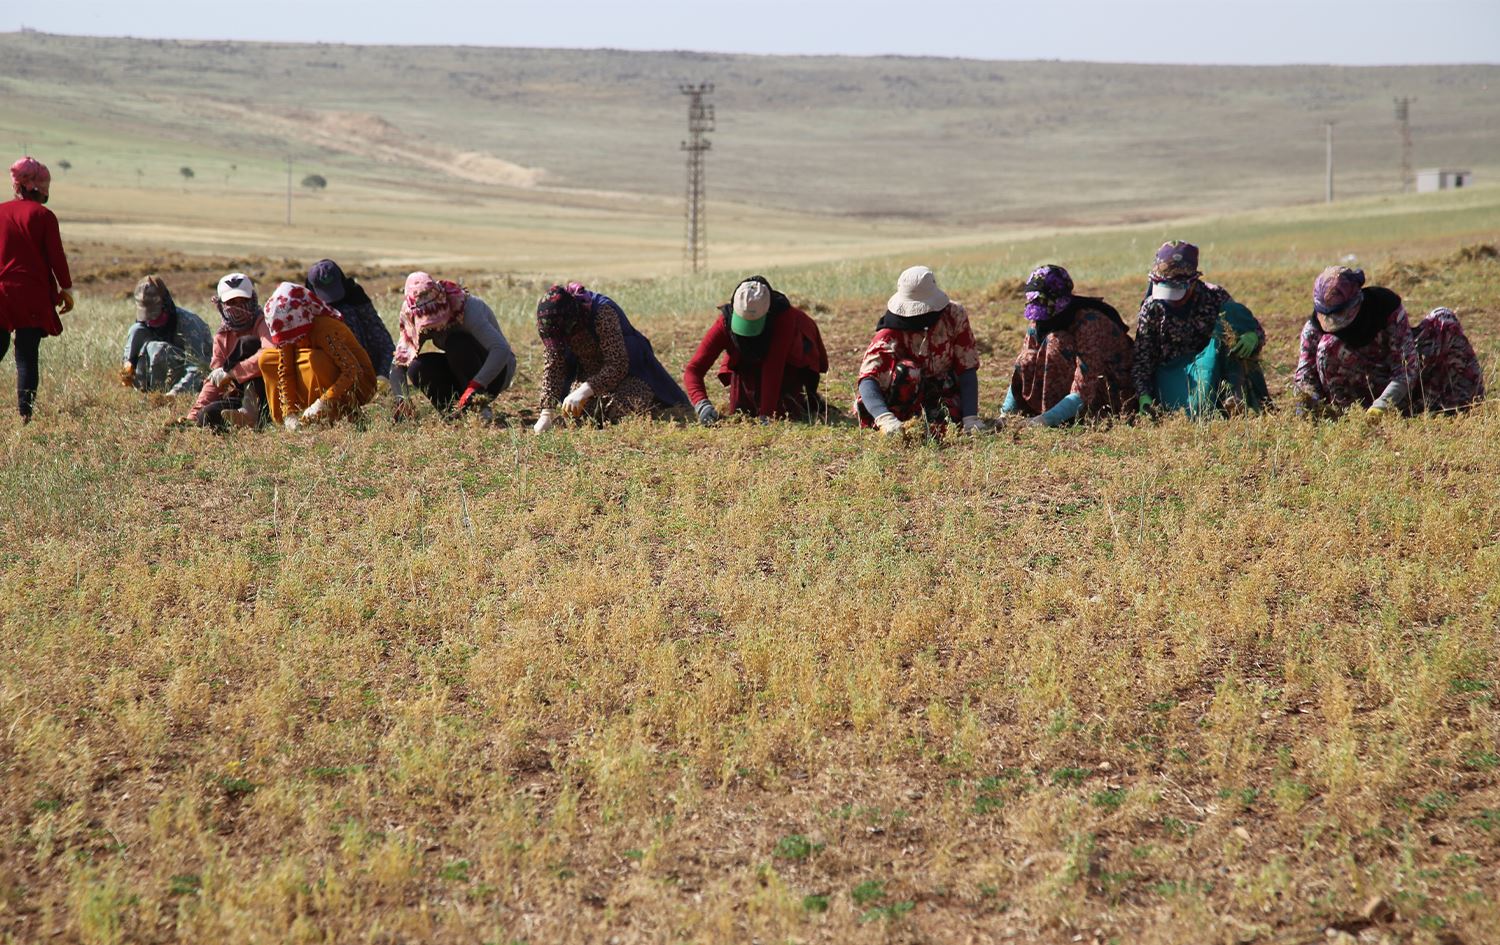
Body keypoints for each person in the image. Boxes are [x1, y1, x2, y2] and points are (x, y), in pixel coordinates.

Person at [1293, 266, 1484, 418]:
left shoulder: (1385, 307)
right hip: (1356, 397)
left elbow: (1406, 368)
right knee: (1327, 347)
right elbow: (1304, 376)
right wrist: (1307, 405)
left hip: (1399, 386)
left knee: (1444, 320)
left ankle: (1462, 405)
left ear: (1357, 300)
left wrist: (1382, 405)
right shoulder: (1315, 328)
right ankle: (1349, 416)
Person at [1132, 240, 1269, 417]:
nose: (1172, 299)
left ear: (1193, 281)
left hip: (1214, 364)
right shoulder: (1152, 308)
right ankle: (1209, 406)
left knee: (1233, 314)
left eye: (1177, 289)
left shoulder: (1215, 296)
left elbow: (1252, 328)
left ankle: (1237, 398)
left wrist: (1254, 337)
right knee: (1198, 411)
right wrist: (1144, 396)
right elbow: (1143, 359)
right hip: (1176, 374)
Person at [532, 282, 689, 432]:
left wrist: (584, 391)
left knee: (628, 405)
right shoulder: (555, 326)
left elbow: (617, 364)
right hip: (590, 376)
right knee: (578, 413)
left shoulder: (602, 313)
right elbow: (554, 365)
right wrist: (547, 412)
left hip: (630, 375)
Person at [681, 275, 829, 424]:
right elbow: (694, 369)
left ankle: (803, 402)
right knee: (742, 411)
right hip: (748, 364)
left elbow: (773, 368)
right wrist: (702, 404)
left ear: (768, 313)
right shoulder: (724, 323)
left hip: (787, 364)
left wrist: (767, 416)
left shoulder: (784, 318)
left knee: (785, 412)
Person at [1000, 264, 1135, 426]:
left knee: (1056, 343)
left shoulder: (1089, 322)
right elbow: (1023, 364)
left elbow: (1085, 385)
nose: (1039, 315)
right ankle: (1052, 413)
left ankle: (1059, 417)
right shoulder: (1040, 320)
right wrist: (1005, 416)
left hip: (1111, 394)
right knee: (1029, 356)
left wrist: (1042, 421)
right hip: (1073, 397)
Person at [854, 266, 982, 434]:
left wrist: (970, 417)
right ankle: (900, 423)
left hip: (941, 390)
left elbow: (966, 367)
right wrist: (884, 417)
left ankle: (933, 418)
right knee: (908, 370)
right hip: (903, 398)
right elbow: (868, 378)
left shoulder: (953, 316)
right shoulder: (891, 330)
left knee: (949, 419)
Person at [0, 157, 73, 422]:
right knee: (27, 355)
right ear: (37, 187)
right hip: (31, 295)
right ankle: (25, 415)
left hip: (1, 292)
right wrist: (67, 289)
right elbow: (56, 257)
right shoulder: (44, 216)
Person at [390, 271, 516, 420]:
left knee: (457, 342)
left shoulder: (467, 308)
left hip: (495, 374)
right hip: (460, 372)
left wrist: (476, 385)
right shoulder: (411, 314)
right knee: (416, 367)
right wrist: (402, 399)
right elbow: (399, 363)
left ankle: (478, 407)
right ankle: (455, 412)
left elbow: (501, 350)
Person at [258, 282, 376, 429]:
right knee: (267, 359)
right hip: (320, 385)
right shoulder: (289, 326)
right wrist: (289, 413)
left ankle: (337, 413)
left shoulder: (325, 328)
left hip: (358, 384)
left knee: (314, 360)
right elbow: (285, 371)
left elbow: (352, 371)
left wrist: (323, 402)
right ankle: (289, 421)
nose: (292, 342)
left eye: (295, 337)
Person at [188, 273, 272, 430]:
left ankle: (251, 412)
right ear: (221, 305)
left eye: (243, 301)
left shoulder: (263, 322)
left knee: (247, 344)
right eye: (232, 302)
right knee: (206, 415)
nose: (238, 307)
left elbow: (269, 355)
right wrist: (193, 415)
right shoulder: (222, 335)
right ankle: (245, 419)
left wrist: (233, 372)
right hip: (239, 395)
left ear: (252, 299)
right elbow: (215, 379)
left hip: (270, 393)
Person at [119, 275, 212, 396]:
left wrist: (176, 393)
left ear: (165, 305)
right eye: (147, 315)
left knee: (157, 348)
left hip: (190, 380)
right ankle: (144, 390)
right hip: (155, 379)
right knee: (136, 330)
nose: (151, 319)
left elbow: (198, 368)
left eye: (154, 313)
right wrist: (128, 366)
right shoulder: (142, 327)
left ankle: (159, 392)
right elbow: (131, 351)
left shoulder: (188, 323)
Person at [305, 259, 396, 379]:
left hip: (366, 368)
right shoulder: (306, 305)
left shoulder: (355, 296)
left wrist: (383, 374)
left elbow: (382, 339)